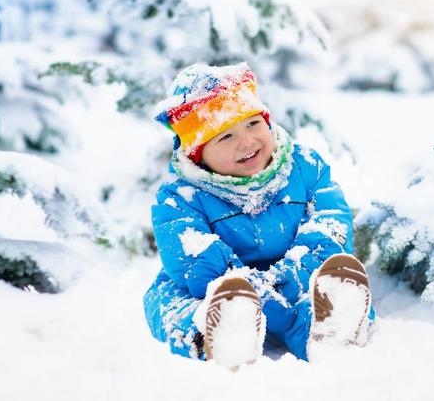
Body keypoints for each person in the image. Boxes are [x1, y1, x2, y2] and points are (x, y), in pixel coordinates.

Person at [143, 62, 374, 369]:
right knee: (164, 300)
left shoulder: (304, 166)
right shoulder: (180, 196)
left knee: (327, 285)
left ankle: (327, 327)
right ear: (199, 155)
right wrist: (247, 287)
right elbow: (190, 255)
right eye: (225, 136)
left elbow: (330, 221)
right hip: (219, 285)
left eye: (253, 124)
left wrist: (293, 275)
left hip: (297, 273)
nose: (247, 141)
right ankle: (217, 334)